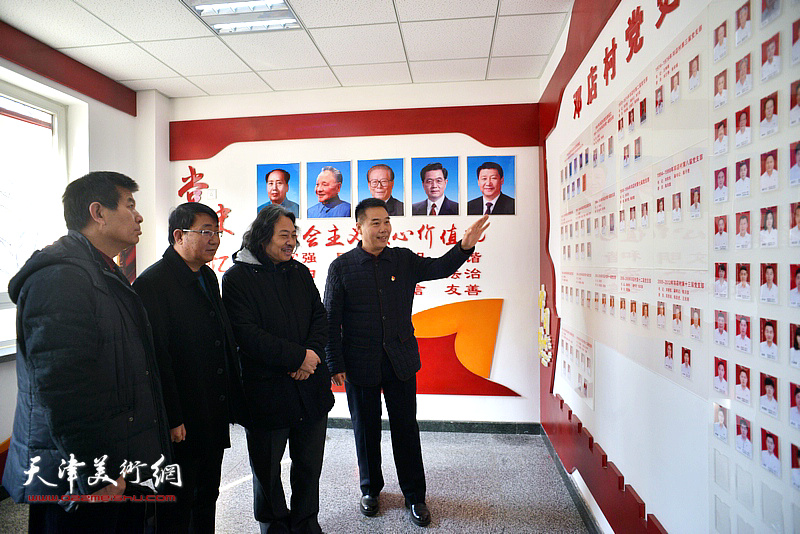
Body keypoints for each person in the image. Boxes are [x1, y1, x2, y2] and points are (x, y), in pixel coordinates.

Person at [3, 171, 172, 532]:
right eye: (130, 205)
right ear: (98, 212)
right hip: (77, 475)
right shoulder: (61, 278)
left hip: (111, 456)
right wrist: (96, 473)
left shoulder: (100, 272)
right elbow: (62, 388)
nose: (139, 216)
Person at [324, 198, 489, 527]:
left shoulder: (402, 260)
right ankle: (370, 490)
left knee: (406, 430)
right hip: (359, 363)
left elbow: (440, 268)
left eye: (386, 221)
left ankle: (415, 495)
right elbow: (330, 320)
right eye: (375, 222)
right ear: (359, 227)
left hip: (399, 360)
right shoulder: (341, 268)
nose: (384, 228)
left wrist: (464, 246)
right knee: (365, 430)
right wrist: (334, 363)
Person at [222, 204, 334, 534]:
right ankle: (272, 523)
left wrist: (310, 355)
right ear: (262, 236)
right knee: (267, 468)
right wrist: (297, 358)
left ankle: (305, 521)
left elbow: (320, 316)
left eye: (294, 236)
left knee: (309, 465)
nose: (291, 242)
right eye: (284, 235)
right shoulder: (237, 278)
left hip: (310, 386)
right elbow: (246, 334)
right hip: (266, 392)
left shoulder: (298, 272)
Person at [133, 202, 243, 533]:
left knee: (207, 492)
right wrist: (173, 416)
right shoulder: (153, 284)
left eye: (217, 232)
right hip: (180, 418)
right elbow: (157, 357)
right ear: (179, 235)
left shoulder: (207, 276)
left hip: (211, 409)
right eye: (206, 231)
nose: (215, 239)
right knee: (176, 499)